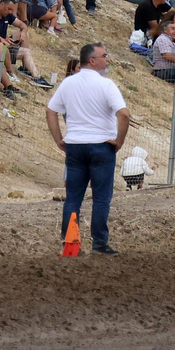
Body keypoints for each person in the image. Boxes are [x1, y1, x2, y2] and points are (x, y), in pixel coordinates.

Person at [45, 43, 129, 255]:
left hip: (75, 146)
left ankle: (70, 244)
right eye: (104, 56)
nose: (107, 59)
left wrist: (59, 139)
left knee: (73, 197)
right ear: (92, 60)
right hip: (101, 146)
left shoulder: (68, 84)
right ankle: (99, 243)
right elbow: (124, 114)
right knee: (101, 197)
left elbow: (51, 111)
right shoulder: (106, 85)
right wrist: (119, 141)